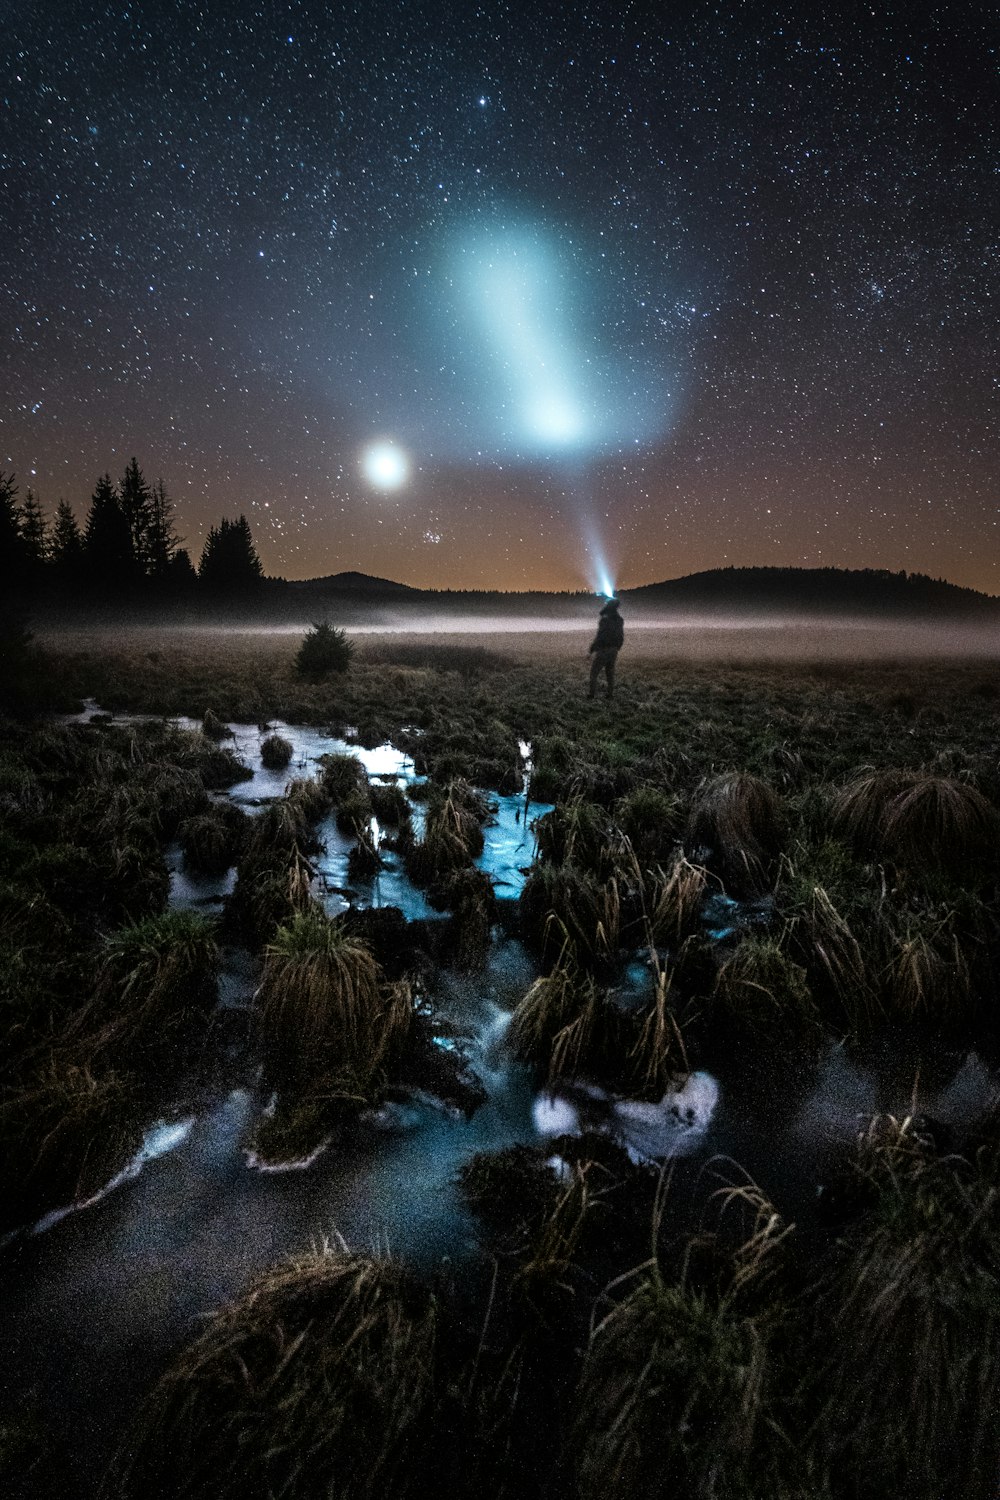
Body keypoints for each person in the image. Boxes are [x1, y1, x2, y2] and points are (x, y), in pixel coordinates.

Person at [587, 597, 624, 699]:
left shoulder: (605, 619)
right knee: (610, 674)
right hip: (614, 650)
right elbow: (621, 636)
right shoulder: (619, 620)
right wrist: (617, 647)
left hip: (603, 649)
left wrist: (592, 649)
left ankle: (591, 694)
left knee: (594, 673)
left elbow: (600, 636)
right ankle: (610, 694)